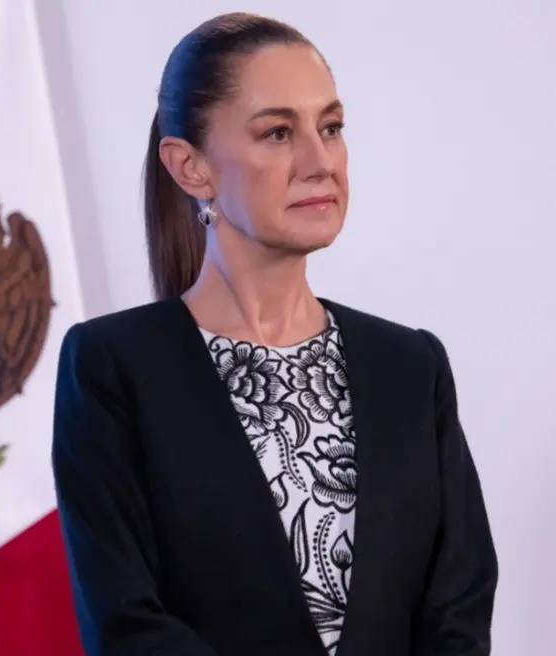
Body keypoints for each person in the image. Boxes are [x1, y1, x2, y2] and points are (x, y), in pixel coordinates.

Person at [51, 12, 498, 656]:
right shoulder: (112, 368)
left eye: (332, 128)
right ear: (191, 168)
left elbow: (458, 612)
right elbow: (126, 625)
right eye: (279, 133)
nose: (321, 162)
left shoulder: (410, 366)